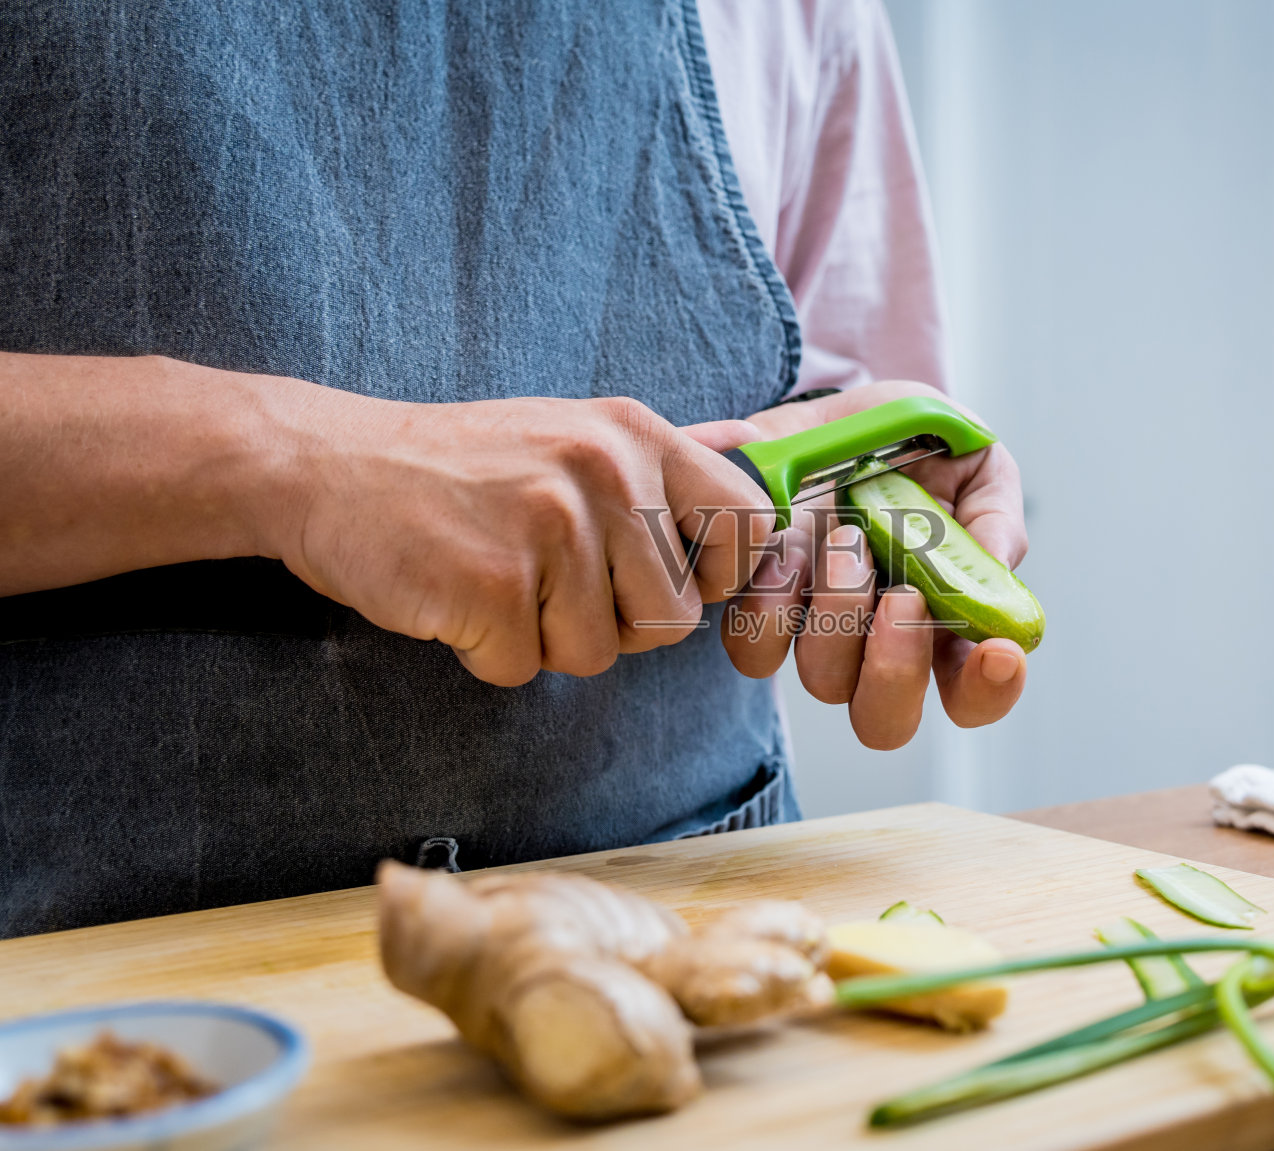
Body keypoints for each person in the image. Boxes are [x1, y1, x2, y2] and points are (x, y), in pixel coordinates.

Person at [0, 0, 1029, 938]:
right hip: (90, 984)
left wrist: (836, 517)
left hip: (694, 925)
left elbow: (838, 371)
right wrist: (286, 462)